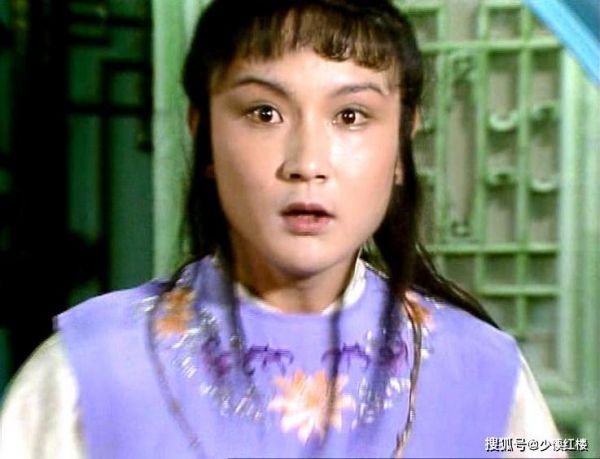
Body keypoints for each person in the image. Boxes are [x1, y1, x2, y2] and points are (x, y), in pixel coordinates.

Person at [0, 1, 565, 458]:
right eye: (264, 113)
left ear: (402, 142)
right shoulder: (86, 373)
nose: (307, 162)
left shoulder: (486, 374)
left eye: (350, 116)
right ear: (203, 133)